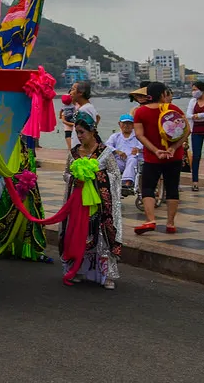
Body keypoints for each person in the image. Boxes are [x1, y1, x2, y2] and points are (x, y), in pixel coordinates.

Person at [61, 112, 122, 289]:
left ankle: (107, 274)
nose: (79, 136)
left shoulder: (105, 153)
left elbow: (115, 175)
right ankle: (77, 269)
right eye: (77, 133)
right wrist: (75, 178)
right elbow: (66, 174)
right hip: (79, 202)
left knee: (101, 235)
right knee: (79, 234)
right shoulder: (73, 153)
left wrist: (95, 177)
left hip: (99, 203)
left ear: (92, 131)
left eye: (82, 132)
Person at [133, 82, 189, 234]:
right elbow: (187, 130)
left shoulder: (140, 112)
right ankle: (170, 224)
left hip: (153, 157)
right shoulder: (174, 109)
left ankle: (150, 220)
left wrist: (155, 150)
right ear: (164, 94)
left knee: (148, 187)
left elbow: (139, 135)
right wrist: (173, 147)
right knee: (172, 189)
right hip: (173, 156)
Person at [105, 114, 143, 192]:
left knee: (132, 160)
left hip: (133, 160)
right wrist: (116, 151)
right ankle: (111, 183)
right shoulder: (115, 136)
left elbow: (143, 145)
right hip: (120, 160)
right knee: (112, 163)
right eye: (124, 123)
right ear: (120, 124)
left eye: (129, 123)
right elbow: (107, 146)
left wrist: (138, 149)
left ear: (133, 125)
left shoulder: (137, 136)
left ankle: (127, 182)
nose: (126, 125)